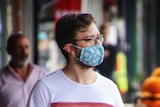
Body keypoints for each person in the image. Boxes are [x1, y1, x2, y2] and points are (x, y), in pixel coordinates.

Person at [28, 13, 124, 107]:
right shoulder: (46, 88)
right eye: (89, 39)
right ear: (70, 49)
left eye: (99, 38)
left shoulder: (110, 89)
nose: (98, 44)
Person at [0, 32, 48, 107]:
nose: (24, 52)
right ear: (8, 50)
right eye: (19, 48)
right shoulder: (1, 78)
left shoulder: (42, 74)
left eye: (26, 47)